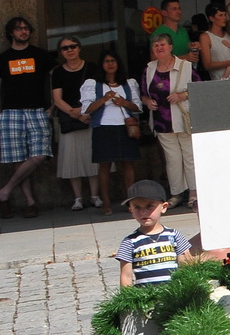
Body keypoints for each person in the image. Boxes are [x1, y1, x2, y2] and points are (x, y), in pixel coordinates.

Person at [0, 16, 56, 218]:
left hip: (37, 110)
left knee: (41, 153)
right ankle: (30, 202)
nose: (23, 31)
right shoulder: (3, 58)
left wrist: (54, 106)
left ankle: (4, 191)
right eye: (18, 28)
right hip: (10, 112)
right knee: (19, 159)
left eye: (26, 28)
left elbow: (58, 78)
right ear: (11, 33)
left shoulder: (40, 55)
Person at [141, 31, 198, 210]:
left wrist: (182, 95)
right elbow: (143, 94)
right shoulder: (149, 69)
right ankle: (176, 193)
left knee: (189, 157)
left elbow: (199, 90)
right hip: (162, 122)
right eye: (156, 45)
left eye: (162, 45)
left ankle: (194, 193)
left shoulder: (186, 66)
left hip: (184, 119)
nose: (159, 48)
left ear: (171, 47)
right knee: (172, 159)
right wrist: (147, 102)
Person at [82, 49, 141, 215]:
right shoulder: (93, 84)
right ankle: (106, 202)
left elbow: (137, 108)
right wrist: (104, 99)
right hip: (103, 128)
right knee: (104, 166)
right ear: (101, 65)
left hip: (125, 127)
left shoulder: (128, 83)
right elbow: (87, 110)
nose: (110, 64)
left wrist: (124, 102)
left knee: (128, 164)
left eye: (113, 61)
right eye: (106, 61)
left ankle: (131, 201)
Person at [113, 179, 192, 287]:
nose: (143, 212)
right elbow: (126, 276)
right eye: (137, 207)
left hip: (172, 295)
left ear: (164, 207)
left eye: (149, 206)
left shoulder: (174, 236)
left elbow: (185, 267)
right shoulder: (130, 242)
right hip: (146, 299)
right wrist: (127, 300)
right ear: (131, 210)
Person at [50, 36, 99, 210]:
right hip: (70, 119)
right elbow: (57, 99)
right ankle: (78, 198)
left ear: (79, 48)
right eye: (65, 48)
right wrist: (75, 113)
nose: (69, 50)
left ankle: (95, 195)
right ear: (61, 52)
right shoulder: (58, 72)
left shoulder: (92, 67)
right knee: (72, 160)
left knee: (93, 158)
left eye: (73, 46)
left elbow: (97, 92)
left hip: (90, 116)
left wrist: (85, 111)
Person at [200, 5, 230, 81]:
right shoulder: (206, 37)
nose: (224, 18)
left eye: (225, 15)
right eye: (220, 15)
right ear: (211, 18)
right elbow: (207, 65)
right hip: (224, 81)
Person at [155, 0, 199, 67]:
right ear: (164, 13)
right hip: (168, 74)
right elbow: (155, 60)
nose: (179, 12)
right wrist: (185, 58)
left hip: (185, 72)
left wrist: (195, 46)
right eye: (174, 9)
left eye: (179, 8)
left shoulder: (183, 31)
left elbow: (186, 46)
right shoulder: (158, 33)